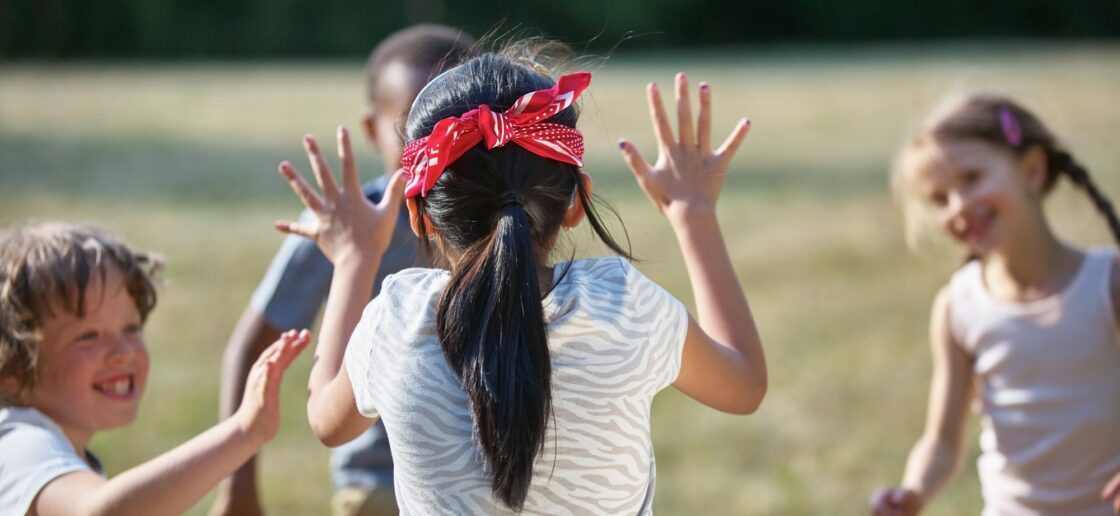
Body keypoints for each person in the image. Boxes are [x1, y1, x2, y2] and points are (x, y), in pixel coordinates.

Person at [276, 46, 767, 514]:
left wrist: (356, 259)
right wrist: (695, 214)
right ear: (576, 202)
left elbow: (327, 420)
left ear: (420, 216)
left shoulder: (396, 323)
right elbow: (743, 384)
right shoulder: (624, 307)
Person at [210, 25, 475, 516]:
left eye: (453, 123)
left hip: (484, 481)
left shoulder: (501, 215)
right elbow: (252, 347)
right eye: (410, 125)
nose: (433, 144)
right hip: (378, 488)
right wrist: (237, 486)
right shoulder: (341, 225)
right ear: (373, 129)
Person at [869, 92, 1120, 515]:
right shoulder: (958, 307)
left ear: (1033, 171)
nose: (959, 206)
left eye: (971, 178)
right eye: (939, 198)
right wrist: (914, 490)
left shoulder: (1108, 285)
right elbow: (943, 441)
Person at [0, 223, 308, 516]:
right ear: (11, 369)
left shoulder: (57, 449)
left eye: (131, 328)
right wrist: (243, 432)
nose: (122, 352)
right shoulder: (22, 444)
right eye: (88, 336)